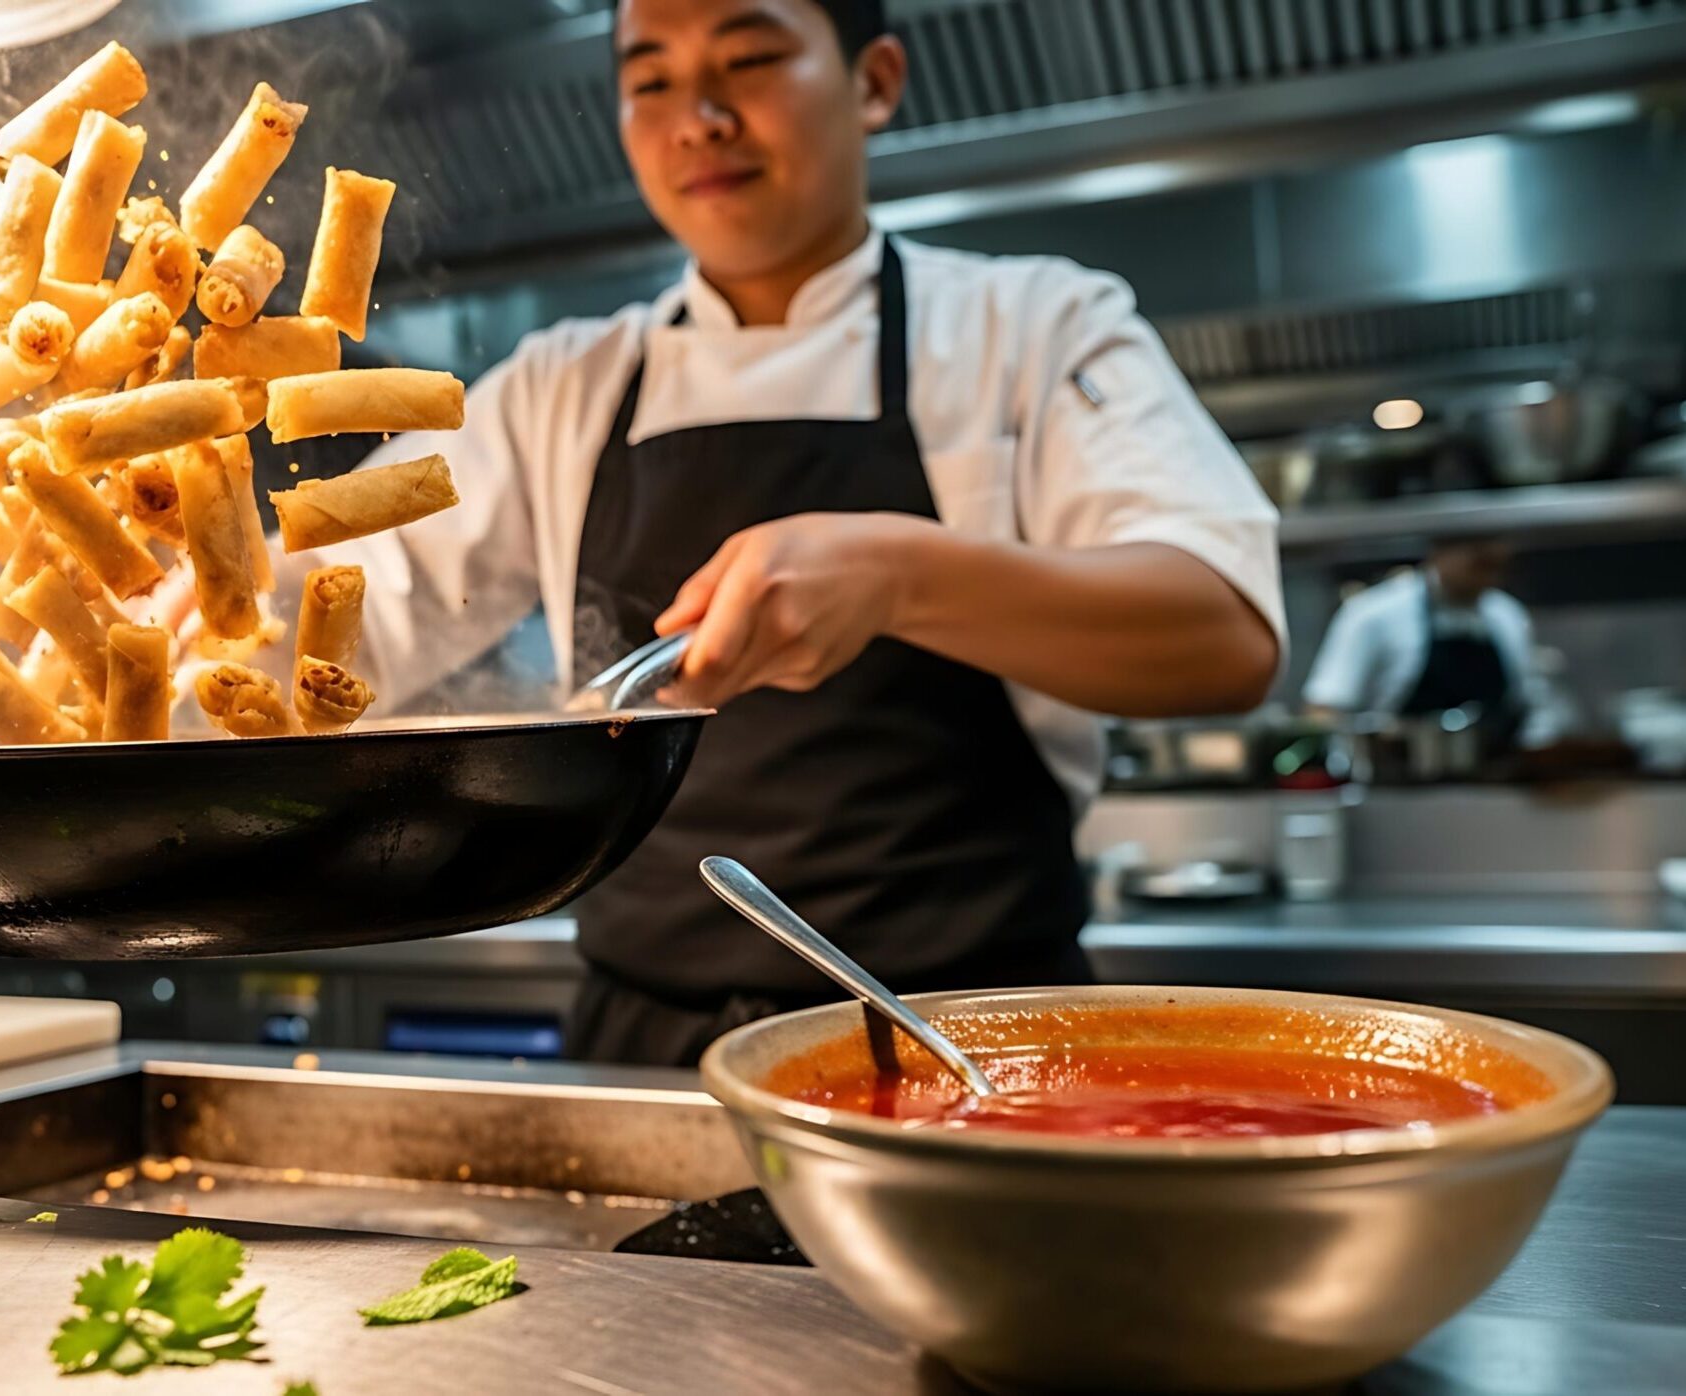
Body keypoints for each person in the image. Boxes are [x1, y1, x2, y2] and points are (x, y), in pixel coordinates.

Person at [279, 0, 1285, 1065]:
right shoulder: (559, 388)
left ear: (875, 80)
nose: (697, 118)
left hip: (976, 1051)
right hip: (648, 1058)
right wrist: (136, 610)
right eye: (650, 78)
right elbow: (313, 625)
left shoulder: (1031, 327)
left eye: (750, 60)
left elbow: (1222, 634)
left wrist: (901, 574)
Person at [1303, 537, 1535, 751]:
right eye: (1479, 565)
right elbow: (1323, 711)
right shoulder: (1374, 613)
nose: (1489, 579)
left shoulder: (1507, 616)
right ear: (1440, 552)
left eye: (1497, 568)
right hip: (1392, 780)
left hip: (1495, 779)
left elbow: (1530, 706)